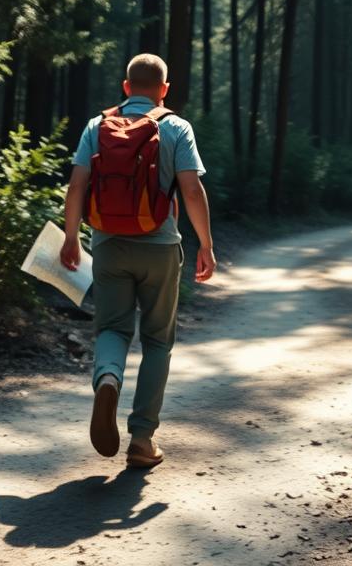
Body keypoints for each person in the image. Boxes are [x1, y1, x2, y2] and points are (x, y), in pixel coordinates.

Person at [60, 53, 216, 469]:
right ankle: (142, 439)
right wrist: (205, 244)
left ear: (126, 87)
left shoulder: (97, 126)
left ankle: (108, 379)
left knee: (112, 327)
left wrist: (72, 238)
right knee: (158, 340)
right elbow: (192, 191)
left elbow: (76, 185)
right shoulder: (176, 127)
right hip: (160, 246)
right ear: (164, 90)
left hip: (108, 246)